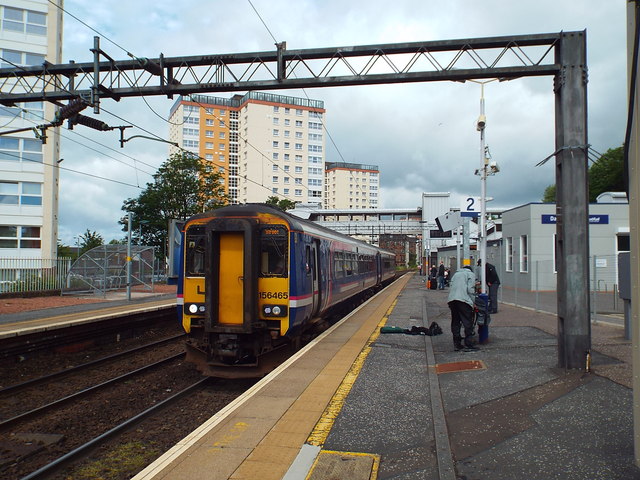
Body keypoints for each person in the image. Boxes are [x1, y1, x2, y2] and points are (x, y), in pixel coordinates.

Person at [447, 265, 479, 351]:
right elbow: (470, 289)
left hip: (452, 300)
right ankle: (469, 343)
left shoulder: (456, 274)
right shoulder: (470, 274)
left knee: (456, 321)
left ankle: (457, 344)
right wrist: (473, 302)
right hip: (463, 300)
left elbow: (451, 286)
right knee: (467, 321)